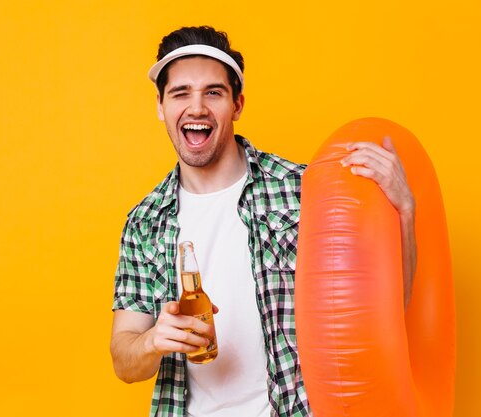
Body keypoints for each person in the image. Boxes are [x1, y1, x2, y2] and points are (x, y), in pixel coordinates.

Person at [110, 26, 416, 417]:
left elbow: (389, 310)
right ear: (161, 106)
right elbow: (124, 359)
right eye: (181, 93)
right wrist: (153, 340)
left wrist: (405, 210)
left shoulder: (305, 190)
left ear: (237, 105)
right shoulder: (144, 222)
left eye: (213, 93)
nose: (197, 108)